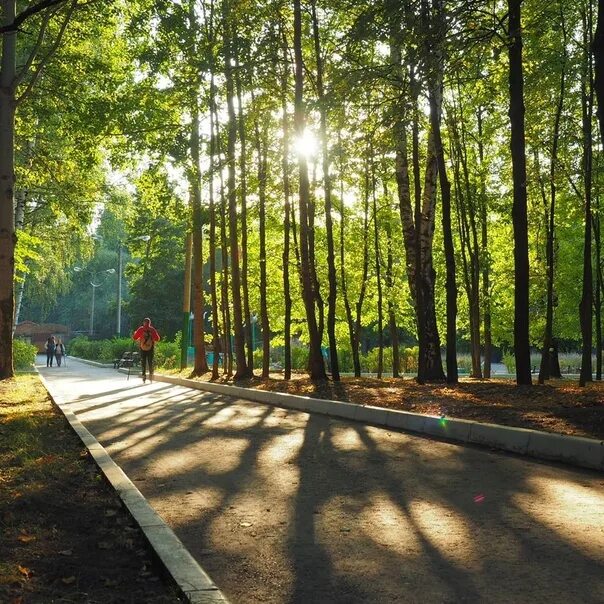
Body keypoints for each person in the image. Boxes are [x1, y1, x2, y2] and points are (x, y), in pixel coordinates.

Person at [133, 318, 160, 383]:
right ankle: (151, 374)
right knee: (150, 361)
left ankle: (144, 375)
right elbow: (157, 339)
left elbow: (135, 337)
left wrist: (135, 333)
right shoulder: (152, 329)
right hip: (150, 348)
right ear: (150, 323)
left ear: (143, 322)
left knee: (143, 362)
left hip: (142, 348)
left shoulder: (141, 329)